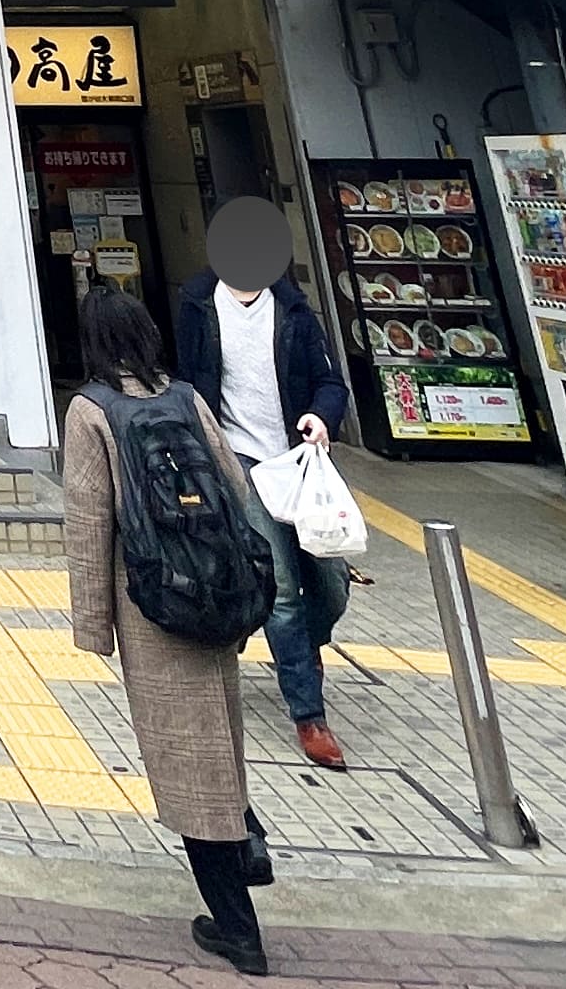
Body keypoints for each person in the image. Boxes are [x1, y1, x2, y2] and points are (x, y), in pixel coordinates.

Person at [64, 285, 267, 976]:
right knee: (222, 741)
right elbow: (237, 492)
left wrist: (94, 627)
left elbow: (88, 522)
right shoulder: (187, 398)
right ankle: (248, 842)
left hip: (153, 601)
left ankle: (238, 926)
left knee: (188, 763)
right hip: (218, 592)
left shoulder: (91, 411)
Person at [176, 197, 357, 770]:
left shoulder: (294, 311)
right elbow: (188, 383)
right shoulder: (197, 305)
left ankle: (305, 648)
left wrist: (321, 418)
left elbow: (332, 383)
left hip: (299, 463)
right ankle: (310, 716)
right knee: (281, 591)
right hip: (242, 465)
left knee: (330, 586)